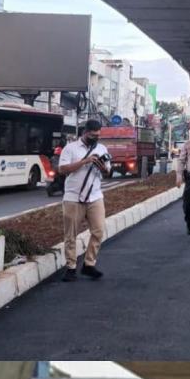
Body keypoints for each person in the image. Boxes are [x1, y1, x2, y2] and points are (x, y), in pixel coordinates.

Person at [58, 119, 112, 281]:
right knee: (71, 234)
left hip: (95, 196)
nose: (95, 138)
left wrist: (101, 166)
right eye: (92, 135)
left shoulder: (102, 149)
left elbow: (108, 173)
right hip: (73, 197)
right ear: (85, 132)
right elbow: (62, 169)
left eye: (98, 135)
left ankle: (89, 264)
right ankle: (71, 267)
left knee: (98, 231)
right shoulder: (70, 148)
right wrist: (85, 161)